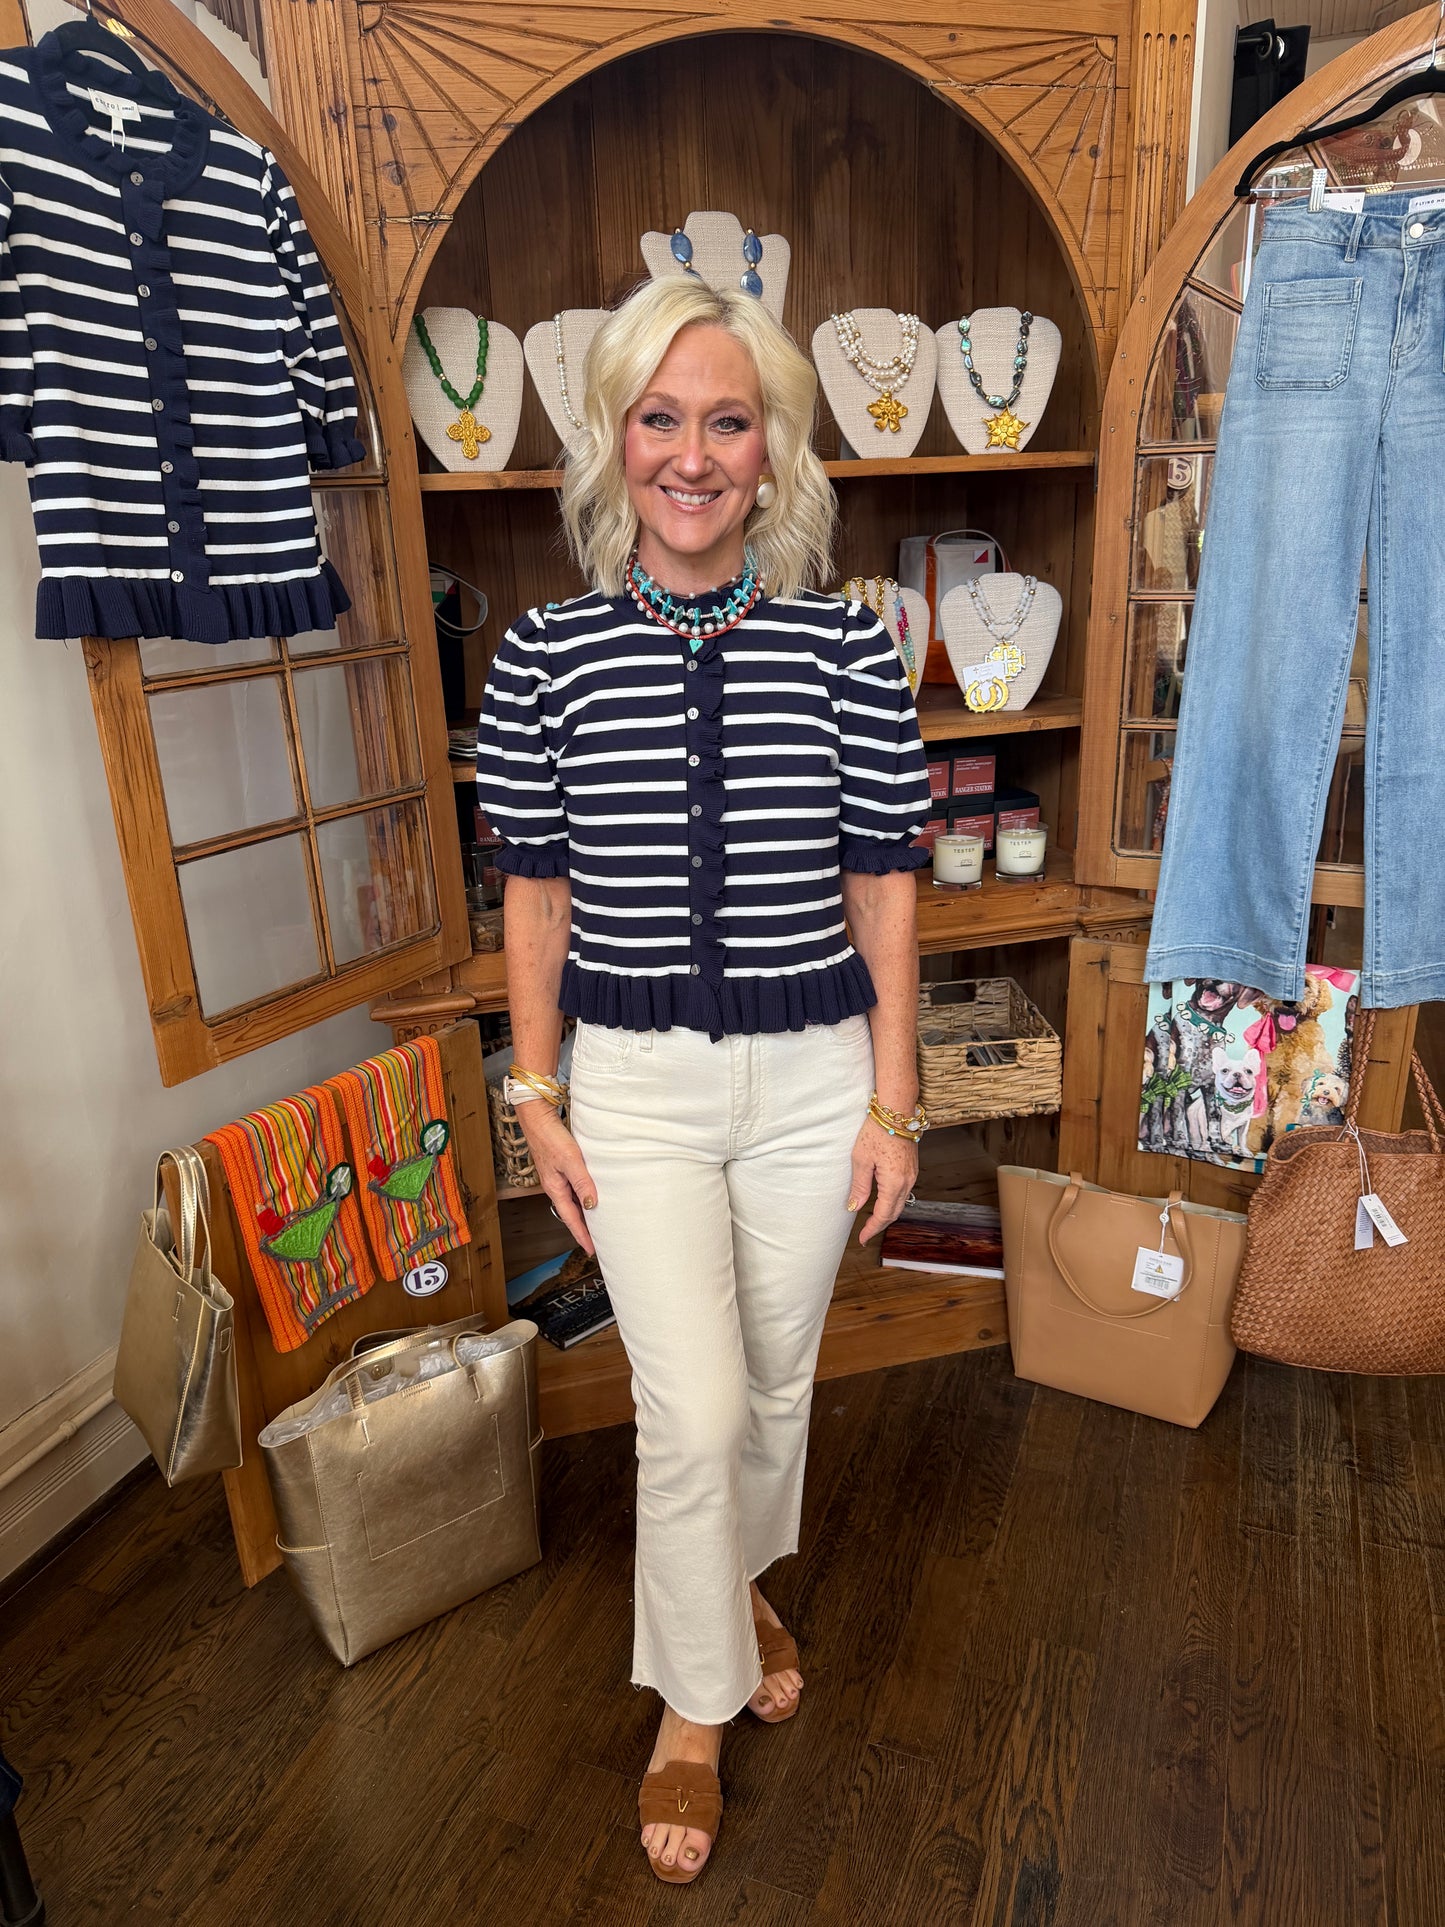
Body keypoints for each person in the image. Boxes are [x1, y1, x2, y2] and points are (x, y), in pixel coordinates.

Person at [475, 275, 930, 1885]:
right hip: (640, 1093)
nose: (691, 454)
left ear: (771, 451)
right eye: (658, 418)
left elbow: (883, 878)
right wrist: (533, 1096)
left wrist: (892, 1100)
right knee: (689, 1408)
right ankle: (689, 1711)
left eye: (725, 421)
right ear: (612, 441)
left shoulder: (848, 652)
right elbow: (534, 889)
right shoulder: (539, 657)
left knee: (774, 1385)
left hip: (814, 1085)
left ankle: (732, 1584)